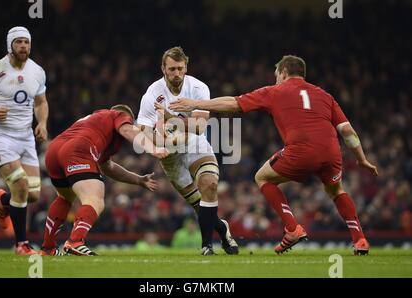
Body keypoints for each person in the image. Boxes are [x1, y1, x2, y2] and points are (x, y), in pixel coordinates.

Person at [169, 55, 379, 255]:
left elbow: (234, 103)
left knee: (262, 177)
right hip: (332, 151)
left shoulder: (275, 91)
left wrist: (196, 104)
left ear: (284, 72)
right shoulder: (325, 95)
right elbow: (347, 131)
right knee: (336, 190)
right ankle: (360, 239)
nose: (276, 78)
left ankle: (292, 228)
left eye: (276, 74)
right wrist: (361, 159)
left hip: (301, 150)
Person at [137, 46, 239, 255]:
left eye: (180, 69)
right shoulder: (152, 93)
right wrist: (156, 144)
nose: (176, 74)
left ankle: (206, 246)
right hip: (169, 154)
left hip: (195, 142)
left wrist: (168, 117)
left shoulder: (198, 88)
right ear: (163, 69)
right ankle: (222, 227)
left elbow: (200, 127)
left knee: (209, 185)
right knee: (199, 205)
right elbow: (143, 129)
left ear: (186, 67)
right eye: (172, 69)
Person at [40, 104, 168, 256]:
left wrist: (138, 180)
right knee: (94, 199)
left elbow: (108, 167)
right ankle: (75, 241)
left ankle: (48, 248)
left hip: (54, 150)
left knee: (65, 197)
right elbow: (127, 130)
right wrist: (153, 148)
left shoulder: (97, 125)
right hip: (79, 148)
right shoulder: (118, 115)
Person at [0, 26, 49, 255]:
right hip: (1, 137)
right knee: (21, 186)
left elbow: (41, 102)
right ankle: (21, 245)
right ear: (10, 45)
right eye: (19, 42)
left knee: (32, 194)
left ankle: (3, 201)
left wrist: (42, 123)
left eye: (26, 42)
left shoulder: (37, 71)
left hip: (25, 137)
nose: (23, 46)